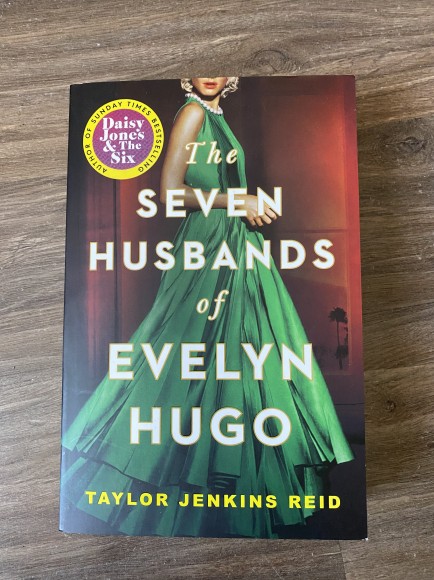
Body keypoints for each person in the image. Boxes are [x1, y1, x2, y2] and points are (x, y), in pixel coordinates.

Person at [61, 77, 354, 538]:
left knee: (240, 358)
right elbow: (169, 192)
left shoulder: (216, 116)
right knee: (181, 354)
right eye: (201, 68)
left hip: (234, 243)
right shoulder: (194, 112)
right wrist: (238, 199)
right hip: (209, 244)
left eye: (220, 68)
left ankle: (231, 489)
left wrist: (243, 206)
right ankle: (148, 470)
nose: (210, 75)